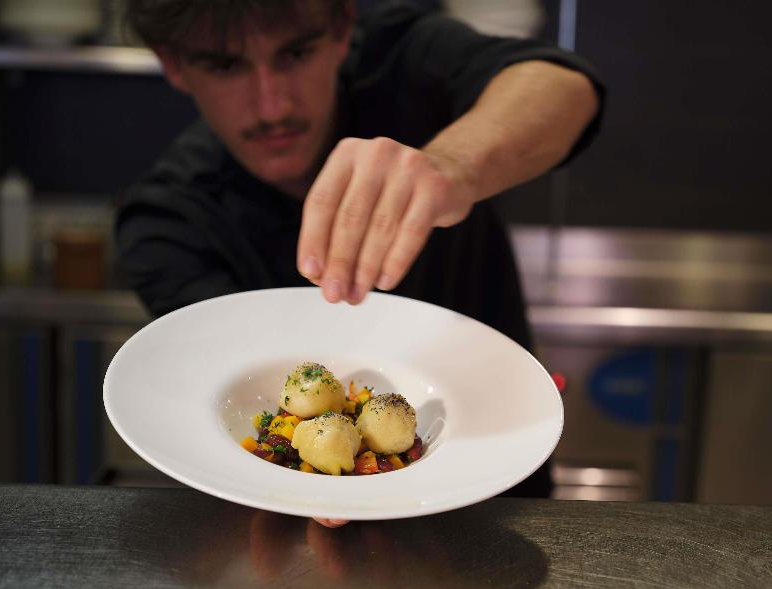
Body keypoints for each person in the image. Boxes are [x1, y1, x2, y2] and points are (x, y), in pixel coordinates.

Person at [116, 0, 603, 526]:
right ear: (173, 64)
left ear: (342, 29)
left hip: (502, 508)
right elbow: (220, 403)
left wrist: (454, 167)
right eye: (225, 65)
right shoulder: (167, 222)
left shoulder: (397, 53)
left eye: (296, 54)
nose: (272, 104)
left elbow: (566, 88)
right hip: (282, 539)